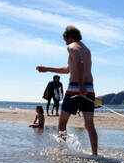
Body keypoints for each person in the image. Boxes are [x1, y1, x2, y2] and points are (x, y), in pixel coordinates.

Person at [36, 25, 98, 155]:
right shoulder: (86, 49)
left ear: (69, 37)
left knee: (63, 121)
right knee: (89, 125)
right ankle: (95, 154)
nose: (65, 42)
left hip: (76, 87)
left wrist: (80, 85)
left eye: (65, 39)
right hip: (89, 88)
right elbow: (68, 69)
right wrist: (47, 69)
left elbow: (80, 64)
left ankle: (62, 150)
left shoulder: (71, 47)